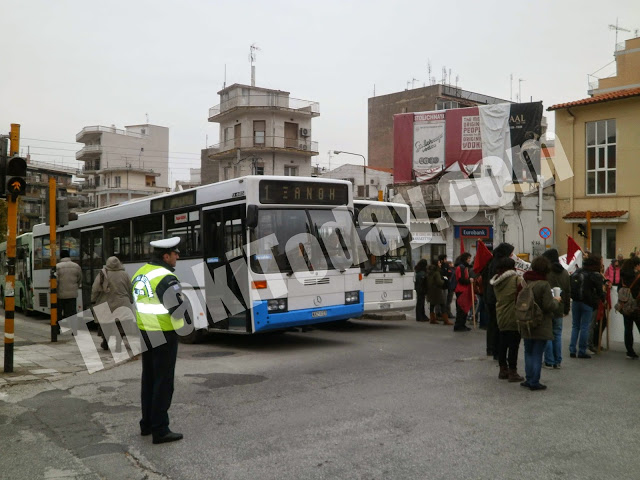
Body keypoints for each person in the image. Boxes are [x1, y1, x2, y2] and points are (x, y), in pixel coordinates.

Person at [132, 237, 191, 444]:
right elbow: (176, 309)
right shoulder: (165, 277)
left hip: (146, 331)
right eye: (175, 254)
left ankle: (146, 424)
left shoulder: (141, 273)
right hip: (164, 333)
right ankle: (161, 429)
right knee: (163, 382)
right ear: (166, 256)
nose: (177, 257)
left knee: (148, 379)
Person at [520, 256, 564, 391]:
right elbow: (548, 306)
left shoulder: (526, 281)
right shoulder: (544, 284)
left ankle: (528, 378)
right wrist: (556, 300)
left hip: (526, 319)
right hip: (540, 322)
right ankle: (534, 381)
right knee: (537, 353)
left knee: (528, 351)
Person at [490, 257, 525, 382]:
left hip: (501, 314)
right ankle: (513, 372)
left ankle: (502, 369)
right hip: (513, 315)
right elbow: (523, 295)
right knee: (514, 345)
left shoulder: (497, 281)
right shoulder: (516, 279)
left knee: (503, 343)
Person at [91, 256, 135, 352]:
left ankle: (105, 342)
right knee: (120, 324)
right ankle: (118, 344)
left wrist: (93, 300)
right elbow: (130, 288)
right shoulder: (124, 274)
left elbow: (95, 289)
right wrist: (131, 300)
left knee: (106, 324)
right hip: (122, 303)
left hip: (106, 303)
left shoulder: (103, 273)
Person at [569, 255, 605, 359]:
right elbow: (599, 290)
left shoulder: (578, 271)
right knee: (585, 327)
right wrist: (603, 298)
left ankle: (572, 349)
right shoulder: (595, 275)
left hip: (576, 301)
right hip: (588, 303)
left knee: (575, 326)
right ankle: (582, 351)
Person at [482, 243, 515, 358]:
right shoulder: (501, 264)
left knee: (491, 324)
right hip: (497, 297)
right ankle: (496, 350)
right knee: (499, 325)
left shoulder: (491, 261)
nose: (511, 255)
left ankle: (490, 348)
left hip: (489, 296)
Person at [542, 249, 571, 369]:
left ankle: (549, 361)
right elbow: (568, 291)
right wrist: (566, 309)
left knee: (548, 334)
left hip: (548, 306)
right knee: (557, 334)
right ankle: (558, 361)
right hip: (560, 306)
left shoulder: (546, 272)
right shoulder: (564, 272)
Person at [56, 250, 82, 332]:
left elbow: (55, 281)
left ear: (61, 256)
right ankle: (74, 330)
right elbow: (80, 279)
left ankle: (57, 329)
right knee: (72, 313)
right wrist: (75, 287)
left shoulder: (57, 266)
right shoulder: (76, 266)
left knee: (58, 313)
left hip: (60, 294)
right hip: (72, 294)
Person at [619, 256, 640, 359]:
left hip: (625, 306)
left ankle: (629, 351)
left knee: (628, 329)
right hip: (636, 306)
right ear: (636, 265)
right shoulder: (637, 276)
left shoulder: (623, 276)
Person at [427, 259, 452, 325]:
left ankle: (432, 319)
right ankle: (446, 320)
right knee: (442, 304)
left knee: (432, 304)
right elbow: (439, 282)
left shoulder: (430, 271)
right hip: (437, 290)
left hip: (431, 290)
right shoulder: (437, 272)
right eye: (439, 263)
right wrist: (444, 281)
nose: (440, 264)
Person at [453, 253, 473, 332]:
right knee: (461, 308)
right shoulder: (461, 267)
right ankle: (459, 325)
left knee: (463, 309)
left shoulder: (463, 267)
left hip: (463, 290)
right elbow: (461, 279)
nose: (469, 260)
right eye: (468, 258)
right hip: (461, 290)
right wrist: (469, 280)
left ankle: (462, 324)